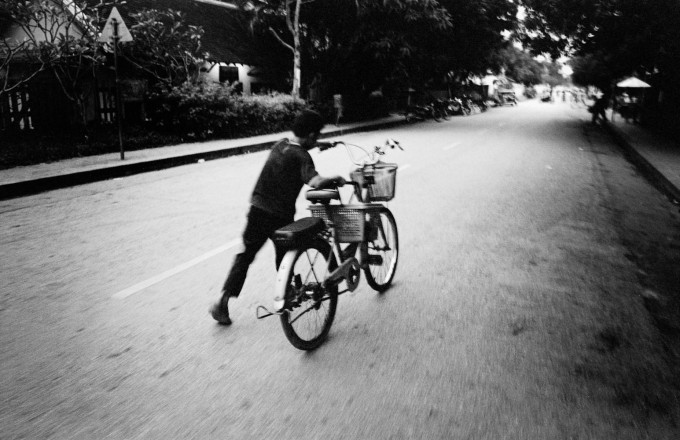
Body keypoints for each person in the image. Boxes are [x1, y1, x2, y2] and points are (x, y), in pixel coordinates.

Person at [210, 110, 346, 325]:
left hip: (256, 209)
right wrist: (334, 179)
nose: (317, 139)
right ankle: (288, 291)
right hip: (280, 216)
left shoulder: (280, 145)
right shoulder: (303, 156)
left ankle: (222, 299)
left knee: (246, 255)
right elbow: (315, 181)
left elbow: (298, 151)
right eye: (317, 136)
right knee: (285, 253)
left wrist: (322, 144)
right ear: (310, 135)